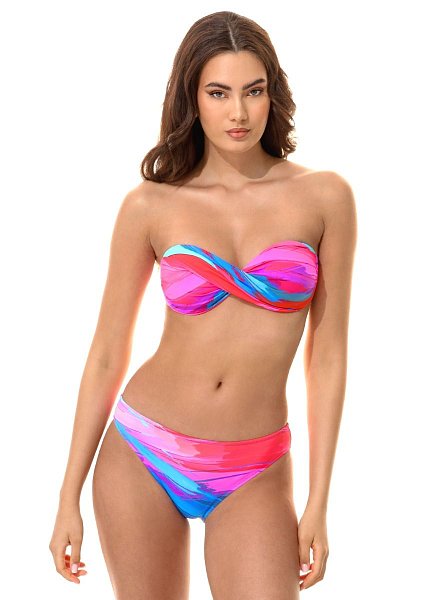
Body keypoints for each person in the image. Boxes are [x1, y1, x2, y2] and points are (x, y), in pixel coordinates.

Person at [49, 10, 357, 599]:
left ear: (273, 94)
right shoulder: (150, 205)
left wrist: (318, 501)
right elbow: (107, 353)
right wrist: (68, 494)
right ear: (192, 97)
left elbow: (328, 357)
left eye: (253, 91)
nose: (238, 112)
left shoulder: (325, 198)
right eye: (218, 93)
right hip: (143, 452)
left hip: (255, 467)